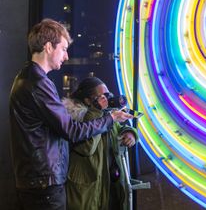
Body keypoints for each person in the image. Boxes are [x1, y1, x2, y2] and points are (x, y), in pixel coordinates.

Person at [9, 19, 133, 210]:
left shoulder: (28, 78)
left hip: (38, 180)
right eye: (64, 48)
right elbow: (72, 131)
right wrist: (110, 118)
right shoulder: (38, 83)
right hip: (44, 184)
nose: (66, 56)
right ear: (49, 47)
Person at [62, 77, 137, 210]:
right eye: (102, 96)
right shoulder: (76, 118)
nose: (107, 99)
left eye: (108, 95)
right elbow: (87, 148)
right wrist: (96, 111)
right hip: (88, 191)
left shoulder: (107, 116)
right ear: (87, 100)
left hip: (109, 186)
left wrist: (130, 133)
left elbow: (119, 129)